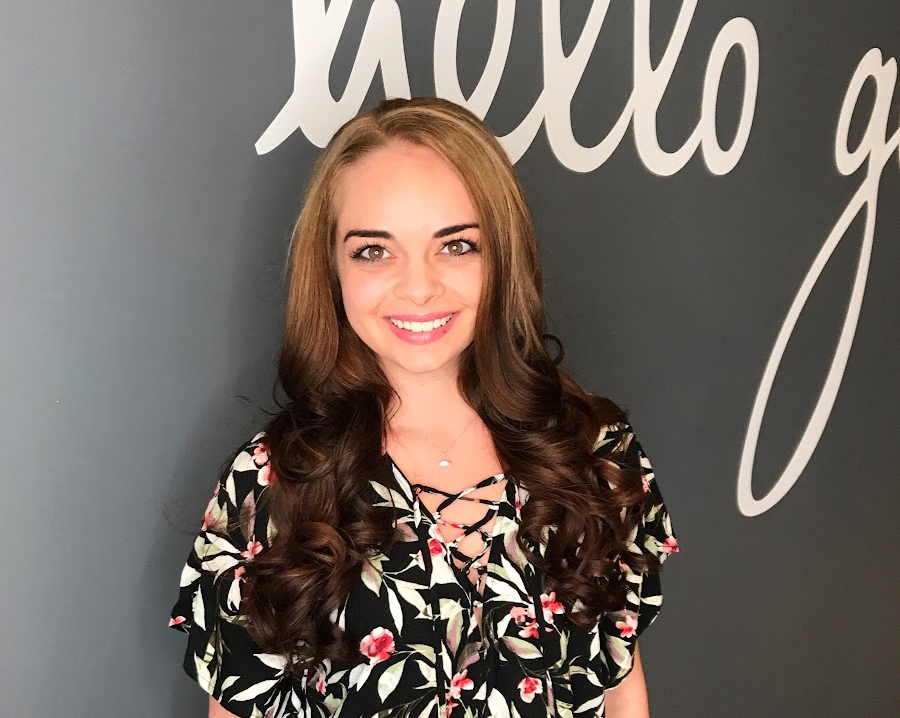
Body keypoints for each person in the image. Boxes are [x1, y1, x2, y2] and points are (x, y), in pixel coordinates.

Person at [168, 96, 680, 718]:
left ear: (502, 255)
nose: (418, 287)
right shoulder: (272, 485)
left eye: (456, 245)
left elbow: (619, 685)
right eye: (374, 250)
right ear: (332, 268)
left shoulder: (595, 452)